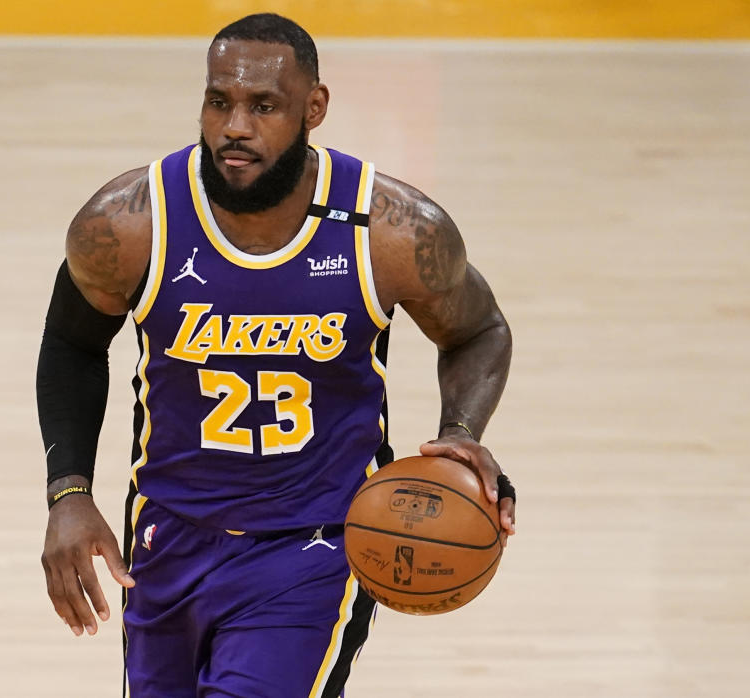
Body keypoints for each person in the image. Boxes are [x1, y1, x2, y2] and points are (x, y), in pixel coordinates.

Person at [36, 13, 515, 697]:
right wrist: (68, 493)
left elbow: (478, 330)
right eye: (218, 101)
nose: (234, 125)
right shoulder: (130, 223)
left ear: (312, 109)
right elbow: (71, 344)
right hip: (166, 537)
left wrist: (460, 433)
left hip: (312, 548)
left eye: (263, 105)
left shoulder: (391, 231)